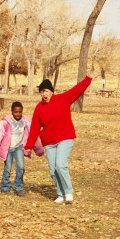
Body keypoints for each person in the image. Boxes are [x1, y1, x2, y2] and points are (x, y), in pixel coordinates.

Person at [24, 75, 93, 204]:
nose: (44, 94)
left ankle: (68, 192)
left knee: (60, 165)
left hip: (65, 138)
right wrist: (28, 146)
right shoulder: (39, 108)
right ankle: (60, 194)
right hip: (49, 142)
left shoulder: (63, 99)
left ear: (51, 91)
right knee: (52, 170)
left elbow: (77, 90)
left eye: (46, 91)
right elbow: (34, 128)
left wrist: (87, 79)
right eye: (42, 91)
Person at [0, 101, 44, 196]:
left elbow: (32, 136)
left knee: (21, 167)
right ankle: (5, 187)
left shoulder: (26, 121)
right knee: (8, 168)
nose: (18, 114)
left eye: (20, 112)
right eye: (16, 112)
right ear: (12, 112)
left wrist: (38, 149)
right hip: (8, 149)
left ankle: (19, 187)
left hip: (19, 147)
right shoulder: (6, 122)